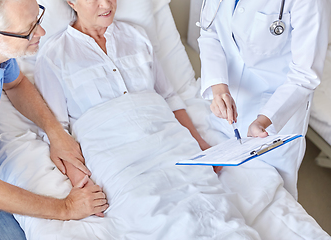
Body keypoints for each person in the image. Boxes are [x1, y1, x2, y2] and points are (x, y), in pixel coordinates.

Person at [34, 0, 223, 187]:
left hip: (169, 142)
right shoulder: (54, 55)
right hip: (117, 161)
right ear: (72, 2)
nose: (107, 5)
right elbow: (58, 131)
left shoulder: (137, 37)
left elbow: (168, 98)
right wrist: (81, 183)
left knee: (207, 198)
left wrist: (200, 143)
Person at [0, 0, 108, 239]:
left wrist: (55, 132)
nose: (41, 32)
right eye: (28, 30)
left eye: (38, 19)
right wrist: (67, 208)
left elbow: (17, 84)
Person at [197, 0, 330, 198]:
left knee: (272, 199)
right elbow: (210, 32)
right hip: (224, 110)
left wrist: (264, 120)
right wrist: (219, 88)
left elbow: (305, 74)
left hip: (274, 121)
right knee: (220, 193)